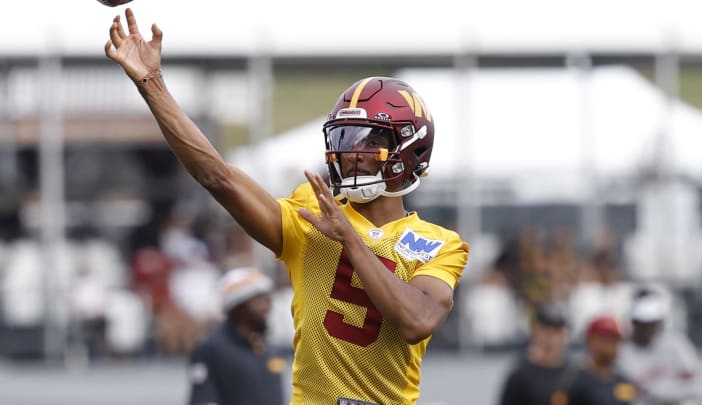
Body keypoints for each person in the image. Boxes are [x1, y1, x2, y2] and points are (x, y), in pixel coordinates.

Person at [105, 9, 469, 405]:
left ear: (409, 149)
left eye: (367, 139)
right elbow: (218, 177)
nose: (352, 152)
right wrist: (151, 84)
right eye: (346, 136)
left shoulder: (439, 244)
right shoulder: (312, 209)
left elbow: (417, 321)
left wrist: (350, 238)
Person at [187, 267, 286, 405]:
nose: (267, 307)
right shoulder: (210, 348)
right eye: (259, 300)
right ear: (238, 306)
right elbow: (203, 399)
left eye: (267, 299)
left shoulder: (270, 349)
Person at [617, 289, 702, 405]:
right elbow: (622, 394)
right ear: (633, 322)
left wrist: (652, 390)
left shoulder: (676, 344)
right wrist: (674, 385)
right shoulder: (621, 351)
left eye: (652, 323)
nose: (647, 329)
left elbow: (698, 387)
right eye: (642, 323)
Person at [498, 303, 574, 405]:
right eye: (548, 330)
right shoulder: (521, 374)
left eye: (558, 331)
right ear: (535, 331)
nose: (553, 337)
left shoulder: (574, 372)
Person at [566, 314, 637, 405]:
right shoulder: (573, 379)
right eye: (608, 340)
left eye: (616, 341)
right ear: (591, 340)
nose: (614, 346)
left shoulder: (623, 381)